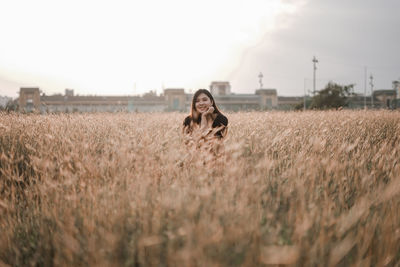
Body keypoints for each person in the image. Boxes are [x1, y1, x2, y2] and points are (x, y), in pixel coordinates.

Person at [182, 89, 228, 162]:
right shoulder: (188, 121)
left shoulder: (221, 119)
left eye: (204, 100)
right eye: (197, 101)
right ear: (194, 104)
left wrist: (204, 117)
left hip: (216, 160)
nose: (201, 103)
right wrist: (204, 117)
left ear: (211, 102)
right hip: (194, 160)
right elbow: (189, 144)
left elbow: (213, 143)